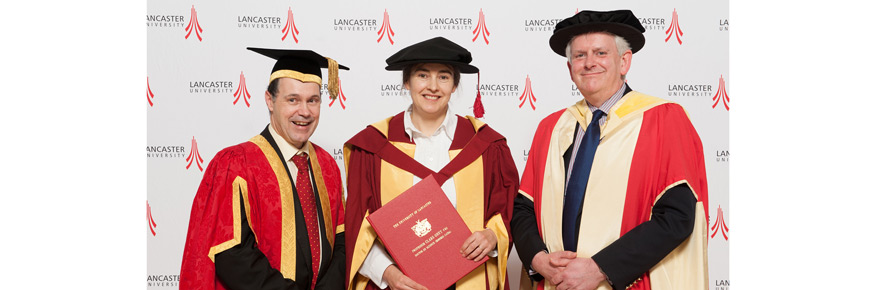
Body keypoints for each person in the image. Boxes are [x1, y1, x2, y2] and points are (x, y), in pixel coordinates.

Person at [510, 10, 710, 290]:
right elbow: (523, 208)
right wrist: (538, 259)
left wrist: (601, 268)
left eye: (600, 53)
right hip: (557, 284)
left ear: (624, 61)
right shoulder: (552, 127)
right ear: (570, 69)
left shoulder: (664, 119)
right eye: (580, 56)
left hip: (628, 283)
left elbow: (677, 217)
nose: (589, 63)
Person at [344, 36, 519, 290]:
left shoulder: (486, 145)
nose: (433, 86)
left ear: (455, 85)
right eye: (422, 75)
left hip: (470, 281)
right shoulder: (373, 147)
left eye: (444, 77)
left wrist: (492, 236)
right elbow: (358, 226)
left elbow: (506, 212)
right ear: (407, 81)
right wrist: (389, 274)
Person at [179, 48, 349, 290]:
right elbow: (231, 253)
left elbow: (342, 242)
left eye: (313, 100)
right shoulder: (237, 163)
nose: (305, 111)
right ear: (270, 101)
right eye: (293, 100)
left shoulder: (327, 165)